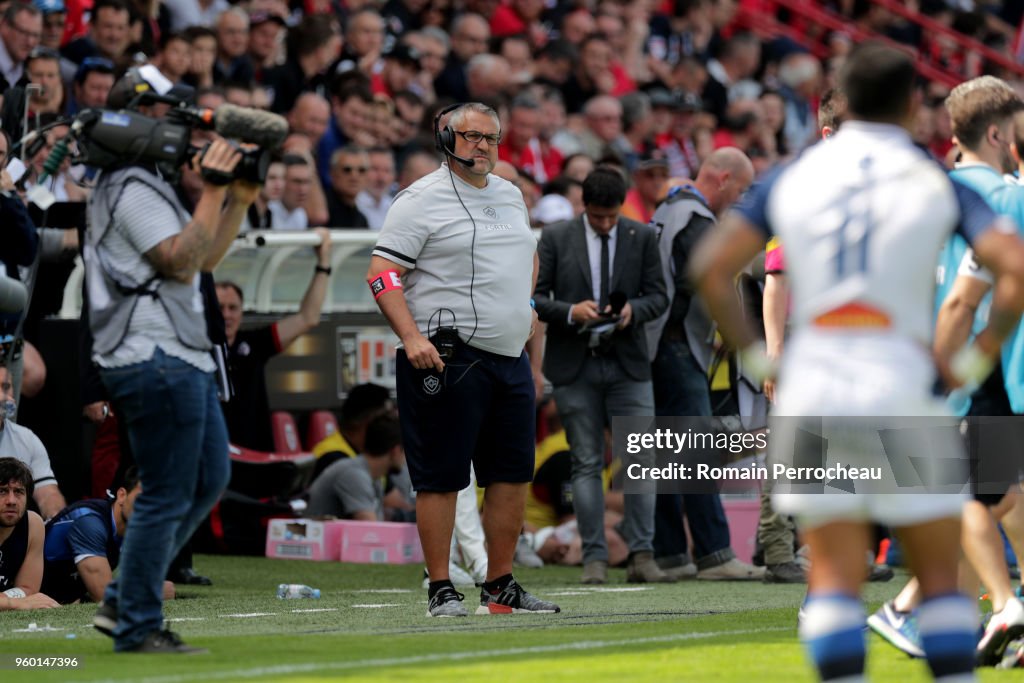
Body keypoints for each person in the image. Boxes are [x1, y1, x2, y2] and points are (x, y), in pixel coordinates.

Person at [693, 42, 1024, 682]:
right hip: (903, 380)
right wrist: (978, 359)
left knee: (836, 582)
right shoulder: (932, 177)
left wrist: (762, 354)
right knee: (936, 579)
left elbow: (710, 267)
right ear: (912, 105)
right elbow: (1011, 267)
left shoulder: (796, 174)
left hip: (819, 384)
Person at [83, 68, 261, 653]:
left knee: (210, 475)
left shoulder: (147, 181)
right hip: (151, 354)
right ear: (138, 117)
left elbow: (205, 258)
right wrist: (211, 188)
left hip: (177, 355)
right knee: (167, 489)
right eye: (171, 116)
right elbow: (180, 262)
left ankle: (123, 599)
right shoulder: (129, 183)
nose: (184, 131)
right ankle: (135, 621)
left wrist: (237, 194)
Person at [367, 102, 559, 617]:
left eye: (492, 139)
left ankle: (500, 585)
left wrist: (525, 303)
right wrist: (410, 337)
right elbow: (382, 273)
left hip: (508, 354)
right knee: (442, 474)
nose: (483, 147)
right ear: (446, 138)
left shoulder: (510, 193)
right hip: (447, 355)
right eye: (472, 137)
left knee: (513, 473)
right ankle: (439, 587)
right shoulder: (419, 198)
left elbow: (528, 254)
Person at [533, 167, 670, 585]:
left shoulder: (642, 236)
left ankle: (642, 555)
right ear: (584, 207)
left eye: (612, 217)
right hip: (576, 363)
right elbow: (538, 298)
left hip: (627, 362)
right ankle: (594, 558)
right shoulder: (556, 238)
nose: (606, 224)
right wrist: (572, 311)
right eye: (597, 217)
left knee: (642, 463)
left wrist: (632, 311)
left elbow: (660, 296)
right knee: (586, 463)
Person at [644, 148, 762, 582]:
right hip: (678, 347)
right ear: (724, 178)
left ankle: (671, 552)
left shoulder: (666, 210)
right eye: (741, 190)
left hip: (659, 346)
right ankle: (714, 552)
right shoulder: (695, 217)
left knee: (668, 457)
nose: (740, 200)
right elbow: (710, 276)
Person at [217, 228, 332, 453]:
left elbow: (308, 318)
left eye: (233, 308)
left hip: (255, 456)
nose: (226, 315)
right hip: (216, 459)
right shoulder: (197, 348)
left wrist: (324, 263)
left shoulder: (254, 342)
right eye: (219, 308)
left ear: (242, 312)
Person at [42, 468, 175, 605]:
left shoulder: (137, 531)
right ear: (122, 495)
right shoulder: (89, 521)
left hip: (60, 601)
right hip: (29, 596)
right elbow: (104, 594)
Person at [307, 412, 405, 520]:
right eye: (405, 450)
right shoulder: (353, 474)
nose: (406, 458)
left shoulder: (374, 476)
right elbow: (370, 531)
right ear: (395, 451)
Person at [0, 363, 66, 519]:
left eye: (6, 386)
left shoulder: (26, 438)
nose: (2, 394)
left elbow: (48, 494)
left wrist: (56, 519)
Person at [0, 457, 58, 610]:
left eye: (18, 492)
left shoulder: (33, 524)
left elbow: (27, 588)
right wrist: (13, 604)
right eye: (2, 491)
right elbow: (24, 598)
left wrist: (4, 599)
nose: (11, 500)